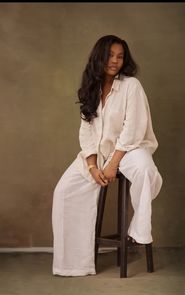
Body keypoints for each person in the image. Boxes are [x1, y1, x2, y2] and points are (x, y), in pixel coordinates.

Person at [52, 35, 163, 277]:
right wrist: (92, 166)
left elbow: (132, 128)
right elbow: (86, 131)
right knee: (63, 191)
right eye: (110, 55)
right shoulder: (90, 88)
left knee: (145, 169)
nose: (115, 61)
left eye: (120, 56)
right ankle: (73, 264)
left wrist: (114, 164)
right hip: (99, 154)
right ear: (99, 57)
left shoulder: (131, 86)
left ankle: (139, 230)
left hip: (130, 148)